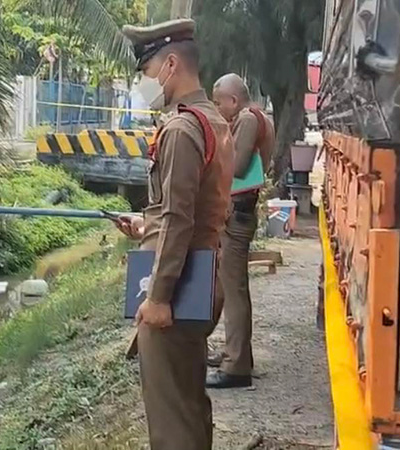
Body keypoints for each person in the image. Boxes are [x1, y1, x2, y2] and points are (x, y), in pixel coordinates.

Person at [117, 19, 234, 449]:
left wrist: (159, 296)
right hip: (202, 275)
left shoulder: (182, 128)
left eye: (146, 74)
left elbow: (181, 219)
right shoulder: (212, 120)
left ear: (170, 65)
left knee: (171, 421)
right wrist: (148, 225)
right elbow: (189, 212)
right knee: (188, 403)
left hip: (179, 288)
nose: (145, 85)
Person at [207, 73, 275, 388]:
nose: (218, 109)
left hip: (237, 215)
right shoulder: (258, 117)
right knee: (229, 287)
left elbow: (236, 166)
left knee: (234, 292)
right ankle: (234, 352)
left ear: (233, 100)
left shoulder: (248, 120)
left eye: (219, 102)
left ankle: (237, 366)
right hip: (240, 213)